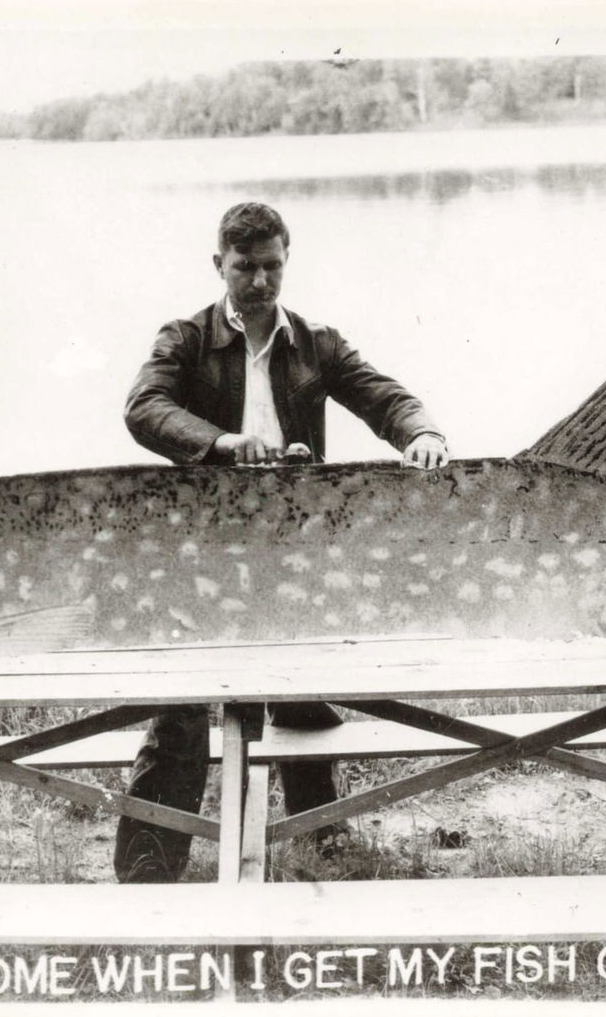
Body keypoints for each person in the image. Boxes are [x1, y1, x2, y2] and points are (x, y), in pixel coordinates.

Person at [115, 202, 449, 882]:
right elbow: (143, 409)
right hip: (202, 548)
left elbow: (383, 396)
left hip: (293, 548)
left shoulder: (317, 342)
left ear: (285, 262)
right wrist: (220, 444)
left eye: (272, 266)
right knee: (180, 709)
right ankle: (148, 868)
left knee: (304, 694)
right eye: (245, 268)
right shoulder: (183, 338)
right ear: (220, 267)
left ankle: (318, 840)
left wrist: (422, 433)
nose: (261, 281)